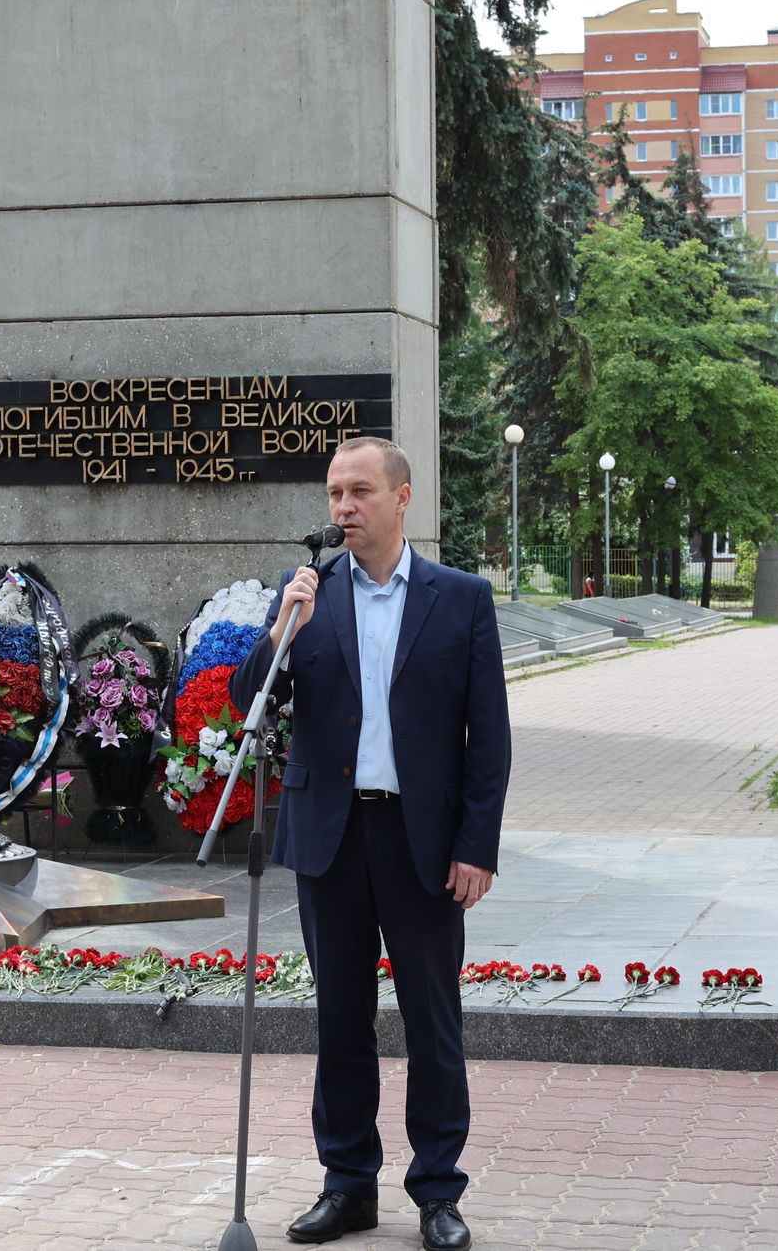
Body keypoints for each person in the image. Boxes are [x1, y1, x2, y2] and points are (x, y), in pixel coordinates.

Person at [231, 436, 510, 1250]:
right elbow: (250, 700)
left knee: (433, 1020)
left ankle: (438, 1190)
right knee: (339, 1019)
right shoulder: (308, 594)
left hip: (422, 839)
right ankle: (348, 1182)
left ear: (402, 497)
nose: (343, 506)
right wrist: (282, 628)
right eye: (334, 493)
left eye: (359, 490)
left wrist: (476, 845)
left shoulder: (460, 599)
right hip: (332, 836)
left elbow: (488, 737)